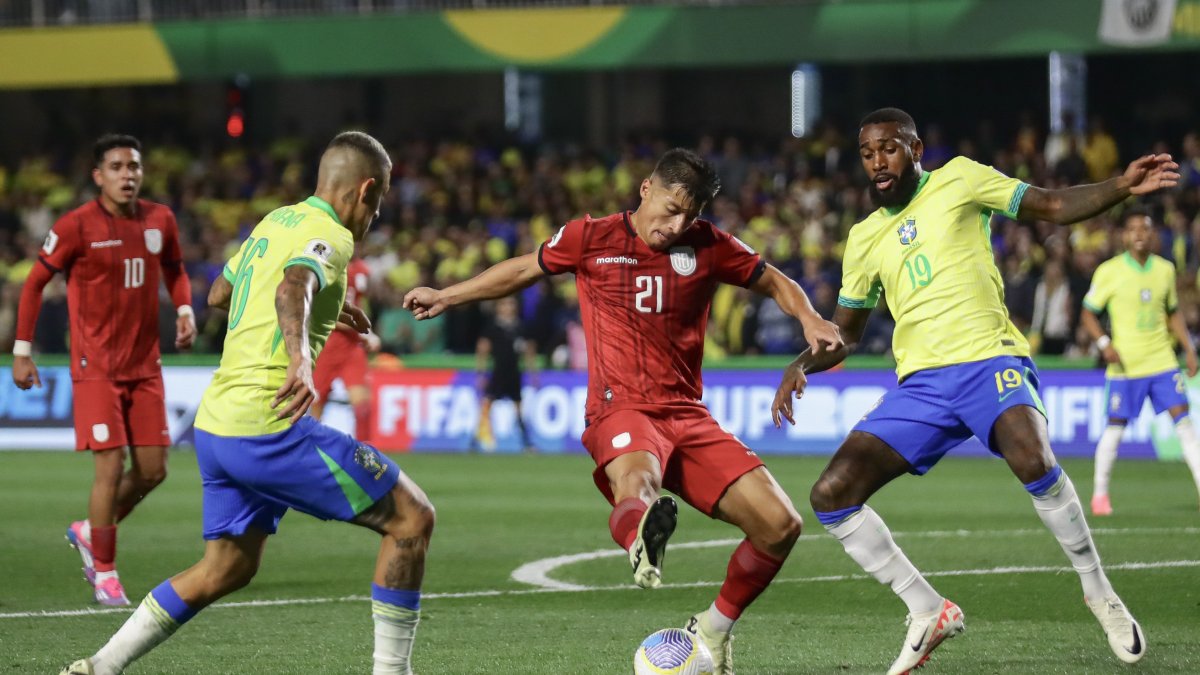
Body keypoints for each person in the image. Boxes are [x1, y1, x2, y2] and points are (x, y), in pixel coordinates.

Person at [404, 148, 841, 673]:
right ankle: (642, 535)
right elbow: (524, 268)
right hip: (622, 409)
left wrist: (810, 318)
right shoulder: (590, 237)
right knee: (638, 479)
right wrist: (449, 296)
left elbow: (775, 280)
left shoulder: (710, 245)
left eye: (691, 215)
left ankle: (713, 629)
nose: (677, 224)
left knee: (780, 524)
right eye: (671, 208)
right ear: (646, 190)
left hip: (688, 415)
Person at [772, 108, 1176, 674]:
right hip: (922, 387)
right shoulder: (864, 238)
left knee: (1033, 458)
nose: (877, 161)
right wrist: (802, 363)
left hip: (989, 359)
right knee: (831, 496)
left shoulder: (960, 178)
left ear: (914, 149)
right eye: (867, 153)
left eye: (888, 148)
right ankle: (927, 609)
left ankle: (1098, 591)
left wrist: (1121, 187)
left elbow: (1053, 206)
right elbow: (847, 333)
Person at [60, 132, 434, 675]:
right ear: (366, 189)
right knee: (412, 518)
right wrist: (301, 355)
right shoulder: (332, 233)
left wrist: (333, 306)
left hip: (217, 428)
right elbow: (293, 286)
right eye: (378, 202)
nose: (374, 215)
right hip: (269, 426)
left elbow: (219, 293)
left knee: (225, 568)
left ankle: (100, 665)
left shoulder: (276, 221)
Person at [12, 134, 196, 606]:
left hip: (145, 366)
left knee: (154, 471)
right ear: (99, 176)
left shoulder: (160, 219)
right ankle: (106, 571)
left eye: (133, 166)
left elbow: (174, 267)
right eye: (116, 167)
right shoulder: (76, 226)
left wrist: (183, 309)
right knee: (110, 468)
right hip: (95, 369)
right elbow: (34, 284)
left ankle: (91, 530)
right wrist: (21, 350)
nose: (127, 174)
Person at [1081, 210, 1200, 515]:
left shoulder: (1165, 270)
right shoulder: (1110, 271)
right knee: (1115, 429)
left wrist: (1188, 348)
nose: (1139, 234)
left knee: (1185, 425)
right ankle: (1100, 496)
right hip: (1125, 367)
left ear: (1153, 235)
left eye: (1145, 228)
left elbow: (1172, 312)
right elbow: (1088, 312)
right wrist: (1104, 344)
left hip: (1162, 360)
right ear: (1124, 236)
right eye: (1133, 228)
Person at [311, 253, 382, 437]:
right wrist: (362, 331)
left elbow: (362, 305)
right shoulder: (325, 267)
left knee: (362, 408)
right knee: (316, 405)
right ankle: (312, 450)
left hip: (351, 348)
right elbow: (319, 310)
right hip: (326, 345)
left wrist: (368, 331)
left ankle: (365, 455)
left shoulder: (362, 270)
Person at [474, 295, 537, 451]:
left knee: (518, 409)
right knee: (487, 406)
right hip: (498, 372)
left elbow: (529, 350)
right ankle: (475, 440)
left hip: (514, 373)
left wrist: (533, 371)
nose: (508, 307)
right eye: (505, 304)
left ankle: (526, 443)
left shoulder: (520, 327)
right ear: (498, 307)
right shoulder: (493, 327)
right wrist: (481, 373)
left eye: (511, 304)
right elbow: (482, 349)